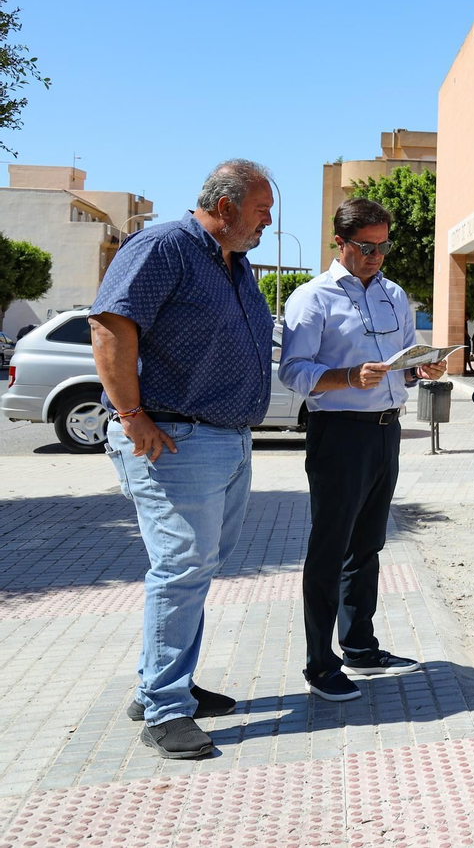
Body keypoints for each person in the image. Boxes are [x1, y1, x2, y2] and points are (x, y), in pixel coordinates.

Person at [89, 160, 276, 760]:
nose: (266, 224)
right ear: (225, 207)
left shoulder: (235, 265)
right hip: (173, 439)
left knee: (198, 568)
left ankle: (161, 687)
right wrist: (131, 415)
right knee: (180, 568)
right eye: (260, 211)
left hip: (225, 439)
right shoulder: (165, 246)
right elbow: (111, 325)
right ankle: (166, 709)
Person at [278, 198, 446, 702]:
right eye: (365, 247)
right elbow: (292, 372)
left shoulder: (395, 294)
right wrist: (346, 377)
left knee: (368, 545)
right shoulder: (313, 298)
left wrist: (423, 369)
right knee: (329, 549)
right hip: (339, 434)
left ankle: (358, 644)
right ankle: (320, 663)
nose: (376, 256)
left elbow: (405, 360)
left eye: (383, 246)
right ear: (340, 243)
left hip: (385, 430)